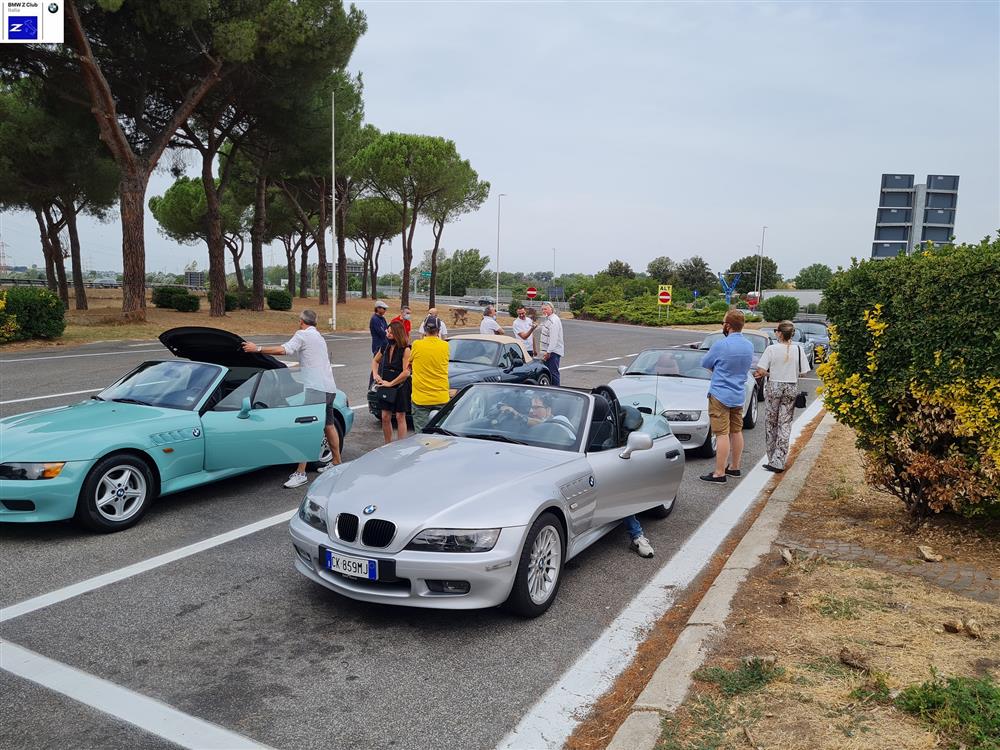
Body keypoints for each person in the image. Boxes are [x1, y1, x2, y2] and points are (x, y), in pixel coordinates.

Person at [241, 309, 341, 489]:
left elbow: (284, 349)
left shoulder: (302, 334)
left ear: (301, 321)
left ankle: (301, 473)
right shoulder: (318, 337)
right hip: (329, 387)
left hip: (315, 388)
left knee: (307, 428)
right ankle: (336, 462)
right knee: (329, 425)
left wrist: (257, 349)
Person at [699, 309, 754, 484]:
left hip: (720, 393)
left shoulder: (721, 345)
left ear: (728, 326)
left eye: (723, 323)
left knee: (721, 433)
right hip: (738, 393)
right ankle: (735, 467)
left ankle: (719, 472)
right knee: (736, 431)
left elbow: (705, 363)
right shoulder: (749, 345)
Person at [754, 320, 810, 473]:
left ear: (779, 333)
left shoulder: (771, 349)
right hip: (791, 386)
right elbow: (804, 372)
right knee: (785, 423)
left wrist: (770, 373)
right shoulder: (798, 349)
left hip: (774, 386)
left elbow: (761, 369)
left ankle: (771, 457)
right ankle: (779, 460)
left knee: (771, 422)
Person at [371, 320, 412, 444]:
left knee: (400, 416)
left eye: (391, 333)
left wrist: (391, 383)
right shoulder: (385, 346)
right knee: (385, 416)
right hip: (386, 383)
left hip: (401, 385)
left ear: (398, 334)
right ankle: (387, 444)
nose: (388, 335)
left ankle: (400, 446)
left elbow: (406, 372)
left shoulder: (406, 349)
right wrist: (375, 374)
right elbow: (375, 361)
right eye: (387, 332)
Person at [409, 315, 450, 431]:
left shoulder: (417, 344)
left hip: (421, 397)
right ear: (439, 330)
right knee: (442, 433)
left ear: (424, 329)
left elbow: (409, 362)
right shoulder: (445, 346)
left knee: (421, 433)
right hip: (441, 396)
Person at [538, 302, 565, 385]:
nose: (544, 311)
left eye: (545, 309)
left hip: (553, 352)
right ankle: (551, 389)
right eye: (542, 309)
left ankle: (556, 390)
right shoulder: (548, 319)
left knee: (553, 373)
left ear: (551, 309)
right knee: (549, 372)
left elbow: (554, 338)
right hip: (548, 351)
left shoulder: (554, 321)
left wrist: (549, 352)